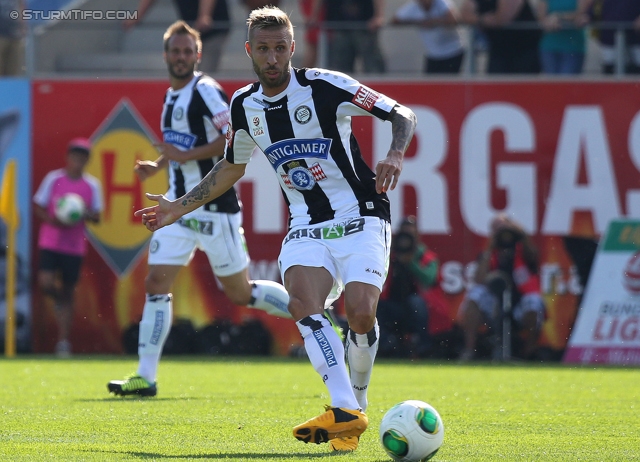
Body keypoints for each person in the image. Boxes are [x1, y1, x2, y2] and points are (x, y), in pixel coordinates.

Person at [134, 6, 417, 452]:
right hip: (306, 223)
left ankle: (357, 403)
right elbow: (231, 166)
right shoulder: (244, 105)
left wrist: (396, 153)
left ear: (292, 48)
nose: (271, 58)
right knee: (304, 303)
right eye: (263, 49)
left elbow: (402, 114)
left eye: (279, 48)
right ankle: (344, 407)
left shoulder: (325, 85)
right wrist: (177, 208)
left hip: (361, 213)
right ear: (249, 50)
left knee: (361, 314)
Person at [107, 20, 291, 398]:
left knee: (240, 294)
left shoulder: (206, 90)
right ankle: (146, 376)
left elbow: (235, 139)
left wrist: (187, 155)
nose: (180, 57)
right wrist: (158, 166)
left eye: (187, 52)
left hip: (214, 208)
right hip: (176, 208)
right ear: (166, 55)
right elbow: (178, 145)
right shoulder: (171, 95)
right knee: (156, 283)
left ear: (198, 55)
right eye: (175, 51)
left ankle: (316, 315)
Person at [33, 138, 103, 357]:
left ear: (87, 160)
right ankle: (57, 303)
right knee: (45, 282)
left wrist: (82, 213)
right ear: (68, 157)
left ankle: (63, 341)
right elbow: (38, 205)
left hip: (73, 247)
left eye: (83, 158)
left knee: (68, 292)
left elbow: (97, 217)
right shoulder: (54, 179)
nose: (78, 162)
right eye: (75, 157)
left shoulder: (92, 185)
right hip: (51, 242)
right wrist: (53, 220)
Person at [457, 214, 546, 361]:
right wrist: (491, 248)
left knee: (534, 301)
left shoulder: (523, 250)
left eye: (505, 228)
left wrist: (520, 234)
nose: (503, 233)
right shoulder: (490, 253)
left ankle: (529, 352)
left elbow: (533, 258)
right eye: (498, 229)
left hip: (519, 300)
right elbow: (479, 279)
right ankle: (469, 350)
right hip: (495, 302)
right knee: (475, 294)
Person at [377, 216, 439, 358]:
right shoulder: (388, 253)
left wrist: (412, 263)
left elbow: (429, 279)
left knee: (416, 302)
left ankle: (423, 346)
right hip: (392, 305)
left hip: (417, 306)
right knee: (376, 306)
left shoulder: (424, 255)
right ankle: (386, 344)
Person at [124, 0, 231, 73]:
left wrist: (204, 15)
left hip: (212, 29)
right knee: (189, 72)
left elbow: (205, 19)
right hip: (190, 31)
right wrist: (137, 17)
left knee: (204, 73)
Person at [460, 0, 541, 74]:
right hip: (498, 49)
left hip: (524, 50)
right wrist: (482, 20)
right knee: (495, 86)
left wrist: (480, 20)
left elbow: (502, 18)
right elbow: (464, 15)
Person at [391, 0, 465, 74]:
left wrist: (434, 22)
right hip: (433, 54)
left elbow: (454, 20)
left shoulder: (442, 2)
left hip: (453, 51)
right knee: (431, 83)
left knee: (449, 83)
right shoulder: (413, 6)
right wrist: (418, 22)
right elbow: (395, 21)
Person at [319, 0, 387, 73]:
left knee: (372, 64)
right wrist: (315, 17)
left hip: (365, 24)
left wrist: (378, 16)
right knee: (340, 67)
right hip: (338, 24)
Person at [585, 0, 640, 74]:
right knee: (609, 67)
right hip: (609, 38)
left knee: (636, 67)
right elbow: (594, 10)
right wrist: (586, 16)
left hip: (635, 39)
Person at [537, 0, 589, 74]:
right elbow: (541, 18)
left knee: (567, 81)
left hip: (573, 47)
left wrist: (558, 16)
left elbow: (581, 13)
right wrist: (548, 23)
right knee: (550, 82)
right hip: (549, 46)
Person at [0, 0, 25, 76]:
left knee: (13, 70)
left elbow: (21, 6)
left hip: (15, 34)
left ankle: (11, 87)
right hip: (1, 33)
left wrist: (23, 25)